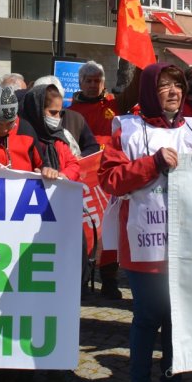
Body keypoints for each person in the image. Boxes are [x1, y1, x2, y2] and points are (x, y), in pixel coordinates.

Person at [98, 63, 192, 382]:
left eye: (177, 85)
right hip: (144, 242)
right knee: (148, 318)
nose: (173, 92)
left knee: (178, 321)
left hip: (187, 245)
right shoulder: (126, 128)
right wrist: (152, 164)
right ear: (150, 91)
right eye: (164, 86)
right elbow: (110, 179)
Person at [70, 61, 124, 298]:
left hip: (109, 176)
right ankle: (83, 276)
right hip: (84, 178)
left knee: (110, 227)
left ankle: (110, 279)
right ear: (80, 83)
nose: (93, 85)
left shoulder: (115, 105)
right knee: (86, 227)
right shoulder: (72, 112)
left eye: (97, 81)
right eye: (89, 81)